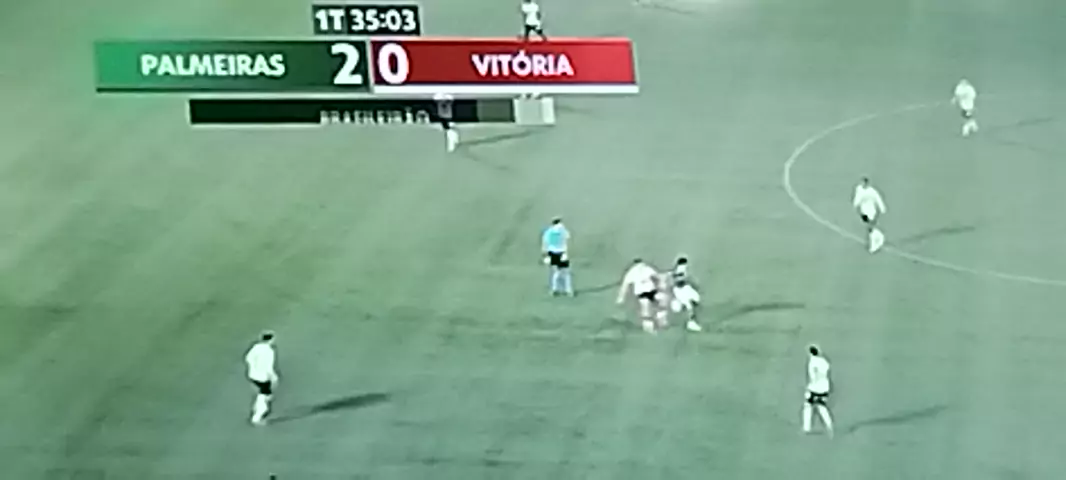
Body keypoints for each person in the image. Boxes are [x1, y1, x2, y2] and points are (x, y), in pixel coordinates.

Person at [617, 258, 667, 333]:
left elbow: (625, 285)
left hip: (648, 292)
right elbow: (657, 276)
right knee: (649, 308)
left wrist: (621, 297)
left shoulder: (638, 270)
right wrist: (621, 297)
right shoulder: (639, 270)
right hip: (647, 292)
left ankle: (658, 323)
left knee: (652, 307)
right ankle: (654, 325)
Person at [245, 331, 279, 425]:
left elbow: (248, 358)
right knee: (264, 395)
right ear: (270, 340)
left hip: (252, 375)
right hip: (263, 377)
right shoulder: (269, 351)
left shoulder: (256, 347)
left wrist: (253, 367)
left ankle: (258, 406)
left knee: (264, 393)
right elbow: (269, 367)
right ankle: (257, 417)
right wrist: (274, 377)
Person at [803, 344, 834, 437]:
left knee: (808, 406)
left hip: (815, 388)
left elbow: (813, 377)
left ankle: (807, 427)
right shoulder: (824, 361)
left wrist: (809, 388)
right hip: (825, 387)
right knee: (821, 406)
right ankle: (829, 425)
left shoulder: (812, 363)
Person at [669, 256, 703, 332]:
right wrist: (680, 277)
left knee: (696, 300)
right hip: (680, 290)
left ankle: (690, 318)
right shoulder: (680, 270)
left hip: (686, 287)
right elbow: (678, 279)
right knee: (689, 305)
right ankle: (691, 322)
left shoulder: (683, 269)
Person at [853, 177, 887, 253]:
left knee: (870, 226)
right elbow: (857, 197)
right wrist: (856, 204)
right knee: (868, 227)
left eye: (864, 183)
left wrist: (882, 208)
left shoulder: (872, 191)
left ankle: (873, 245)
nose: (862, 184)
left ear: (867, 183)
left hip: (871, 211)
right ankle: (879, 235)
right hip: (863, 211)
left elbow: (878, 199)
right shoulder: (859, 189)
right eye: (862, 183)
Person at [541, 217, 574, 296]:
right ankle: (568, 290)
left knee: (556, 272)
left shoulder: (548, 231)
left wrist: (545, 254)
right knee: (566, 272)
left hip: (552, 253)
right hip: (561, 253)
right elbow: (567, 238)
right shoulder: (562, 230)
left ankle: (554, 289)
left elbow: (545, 243)